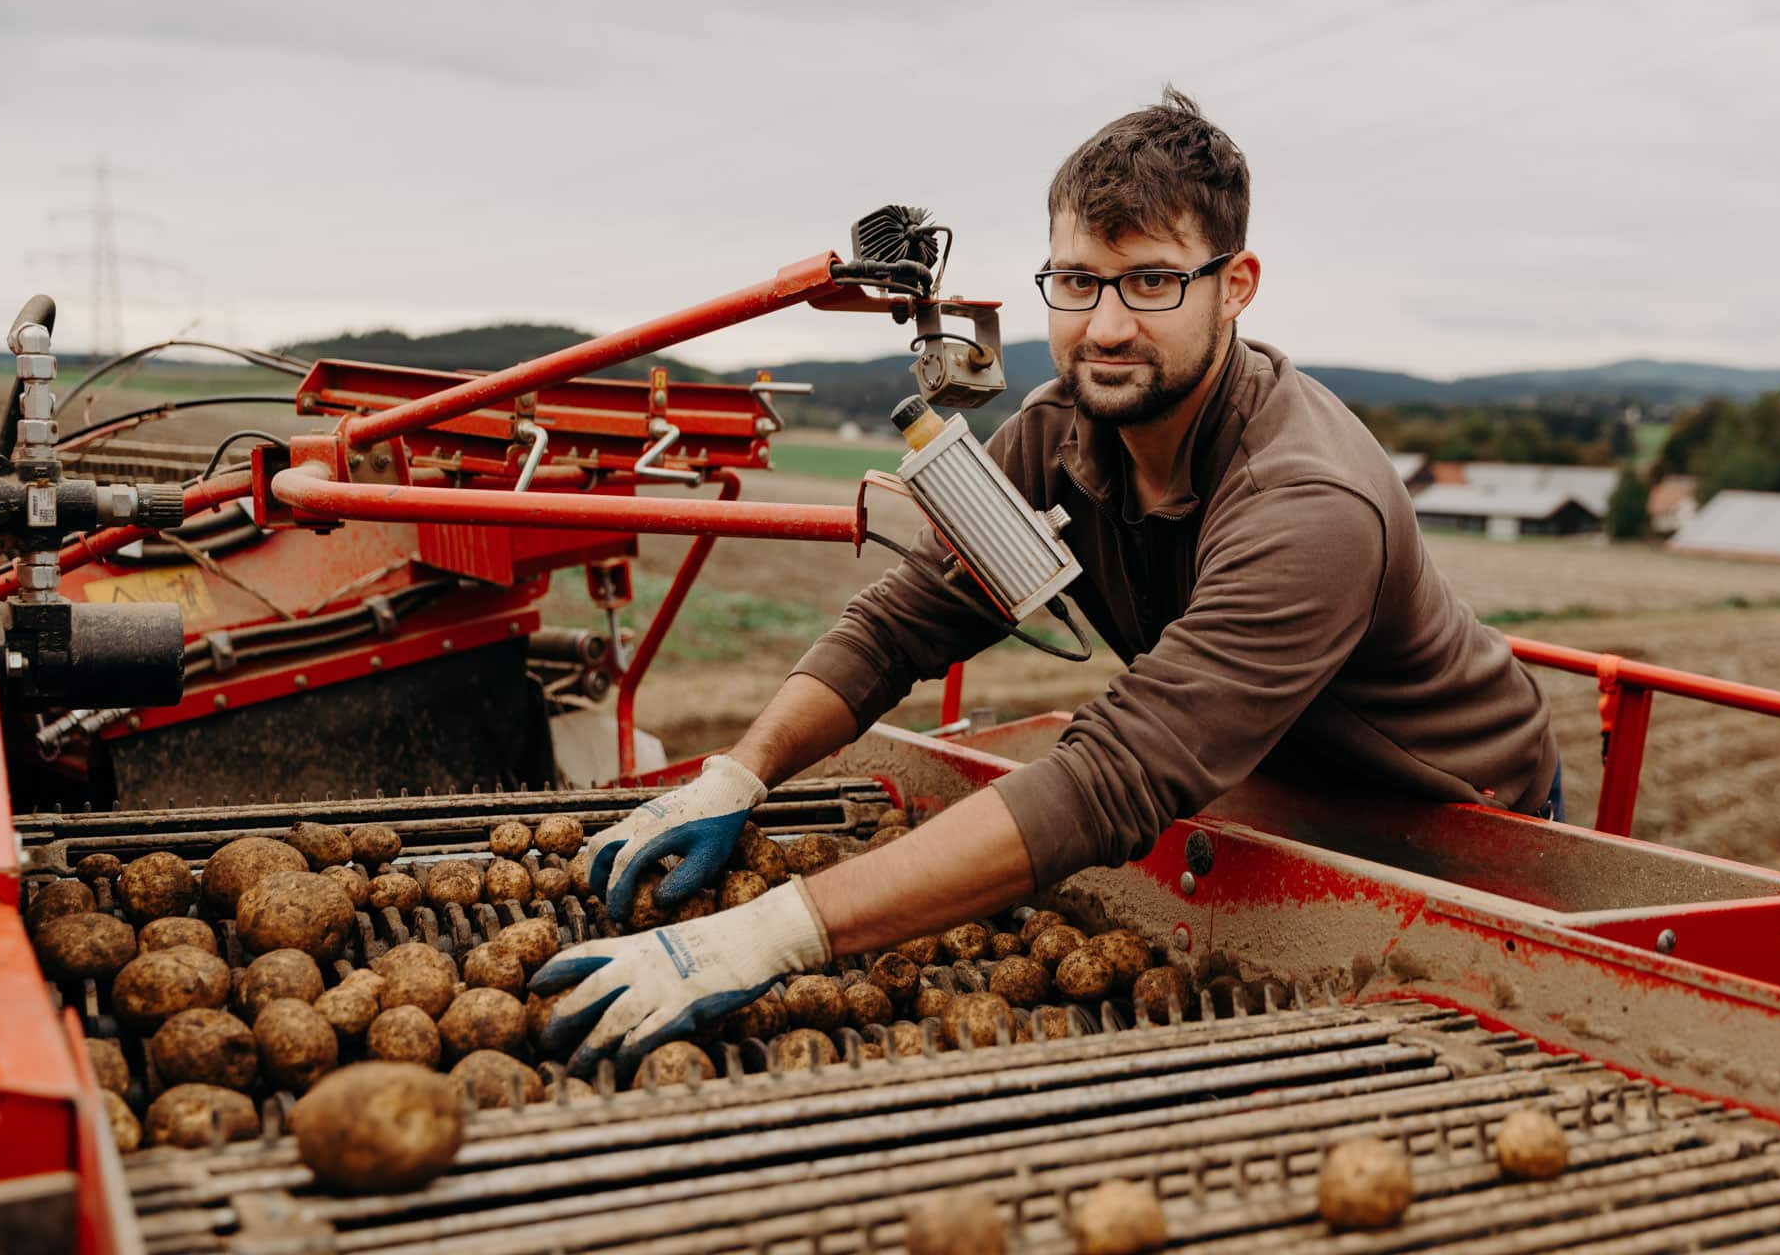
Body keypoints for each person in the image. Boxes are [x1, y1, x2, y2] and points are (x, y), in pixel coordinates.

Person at [532, 88, 1560, 1077]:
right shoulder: (1059, 430)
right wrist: (739, 772)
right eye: (1076, 281)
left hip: (1443, 814)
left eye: (1151, 281)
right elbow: (905, 621)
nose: (1105, 326)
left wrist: (771, 936)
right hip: (1257, 772)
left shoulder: (1310, 502)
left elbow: (1115, 774)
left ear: (1235, 284)